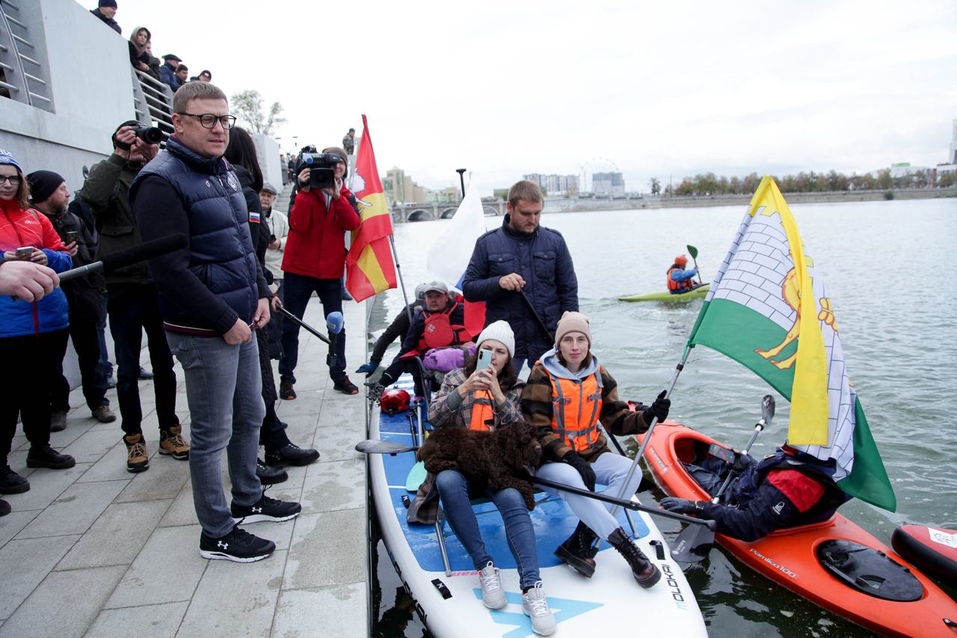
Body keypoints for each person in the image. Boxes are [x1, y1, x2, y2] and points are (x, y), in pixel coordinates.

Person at [131, 81, 301, 563]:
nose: (219, 128)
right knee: (211, 432)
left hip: (243, 315)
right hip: (204, 329)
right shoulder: (160, 180)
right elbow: (168, 269)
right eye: (207, 119)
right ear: (178, 122)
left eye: (224, 119)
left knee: (250, 413)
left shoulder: (223, 170)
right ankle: (216, 531)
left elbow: (240, 244)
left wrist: (262, 291)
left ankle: (247, 498)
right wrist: (225, 318)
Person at [417, 321, 556, 635]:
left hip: (498, 469)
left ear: (508, 358)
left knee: (513, 499)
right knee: (447, 481)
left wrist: (497, 394)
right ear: (477, 350)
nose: (492, 356)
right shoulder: (455, 378)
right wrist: (466, 389)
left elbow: (524, 432)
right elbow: (434, 417)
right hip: (458, 462)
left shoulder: (516, 388)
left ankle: (532, 587)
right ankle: (484, 565)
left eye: (500, 352)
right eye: (487, 349)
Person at [521, 311, 669, 587]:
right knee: (573, 480)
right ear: (559, 345)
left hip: (591, 451)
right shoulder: (542, 374)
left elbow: (617, 419)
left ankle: (582, 541)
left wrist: (648, 417)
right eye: (568, 340)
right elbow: (536, 430)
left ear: (588, 344)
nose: (575, 346)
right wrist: (570, 457)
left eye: (580, 340)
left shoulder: (599, 374)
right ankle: (630, 552)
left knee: (631, 472)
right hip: (551, 458)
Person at [84, 120, 187, 473]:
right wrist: (118, 155)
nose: (137, 145)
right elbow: (91, 200)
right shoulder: (108, 173)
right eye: (130, 139)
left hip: (158, 282)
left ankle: (170, 430)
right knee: (127, 368)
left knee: (164, 365)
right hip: (123, 285)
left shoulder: (155, 174)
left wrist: (153, 154)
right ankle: (134, 438)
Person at [224, 128, 319, 483]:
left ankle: (271, 440)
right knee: (255, 381)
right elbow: (245, 249)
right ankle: (255, 457)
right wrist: (263, 287)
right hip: (243, 296)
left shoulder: (230, 187)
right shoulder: (240, 190)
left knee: (255, 379)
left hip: (247, 290)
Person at [0, 148, 76, 504]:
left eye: (13, 178)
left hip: (48, 318)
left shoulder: (34, 217)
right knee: (6, 395)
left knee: (41, 387)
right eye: (1, 178)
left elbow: (65, 254)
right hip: (8, 325)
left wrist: (50, 257)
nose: (7, 184)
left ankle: (40, 447)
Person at [26, 170, 115, 429]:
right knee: (53, 360)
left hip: (84, 297)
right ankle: (59, 407)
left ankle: (98, 401)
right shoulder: (32, 222)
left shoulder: (74, 219)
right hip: (51, 302)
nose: (67, 193)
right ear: (44, 193)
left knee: (92, 353)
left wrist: (97, 291)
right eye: (61, 188)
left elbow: (94, 254)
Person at [463, 180, 578, 371]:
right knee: (484, 388)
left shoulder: (555, 241)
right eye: (526, 214)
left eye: (537, 213)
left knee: (554, 395)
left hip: (546, 336)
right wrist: (498, 283)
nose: (533, 219)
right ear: (509, 208)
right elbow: (469, 289)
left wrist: (572, 328)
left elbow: (569, 291)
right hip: (500, 340)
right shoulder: (486, 243)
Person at [279, 146, 361, 399]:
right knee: (290, 326)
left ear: (346, 168)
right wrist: (303, 191)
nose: (337, 166)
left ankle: (339, 375)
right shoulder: (304, 190)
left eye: (341, 163)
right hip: (298, 270)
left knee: (337, 327)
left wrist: (337, 198)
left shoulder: (346, 195)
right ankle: (287, 378)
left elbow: (353, 224)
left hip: (330, 272)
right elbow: (298, 226)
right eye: (332, 162)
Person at [660, 444, 849, 542]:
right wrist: (751, 466)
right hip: (751, 485)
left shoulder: (794, 482)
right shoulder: (831, 462)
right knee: (713, 458)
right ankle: (701, 458)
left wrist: (697, 507)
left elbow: (749, 526)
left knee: (682, 467)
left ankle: (690, 462)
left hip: (734, 499)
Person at [369, 281, 471, 398]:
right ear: (424, 299)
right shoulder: (419, 318)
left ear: (446, 297)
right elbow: (406, 350)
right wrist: (384, 381)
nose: (433, 300)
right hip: (433, 366)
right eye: (429, 297)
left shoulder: (464, 311)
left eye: (438, 296)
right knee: (414, 362)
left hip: (462, 361)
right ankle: (422, 391)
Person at [354, 283, 427, 378]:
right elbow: (388, 336)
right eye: (430, 297)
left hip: (436, 354)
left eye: (437, 297)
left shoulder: (444, 312)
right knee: (420, 384)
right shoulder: (407, 314)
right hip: (413, 355)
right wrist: (375, 360)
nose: (433, 302)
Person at [260, 183, 287, 360]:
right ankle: (267, 349)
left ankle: (277, 348)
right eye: (262, 194)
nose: (265, 198)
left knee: (279, 313)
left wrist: (279, 244)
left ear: (274, 199)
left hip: (278, 270)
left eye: (269, 196)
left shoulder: (280, 217)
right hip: (260, 271)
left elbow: (291, 238)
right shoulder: (250, 214)